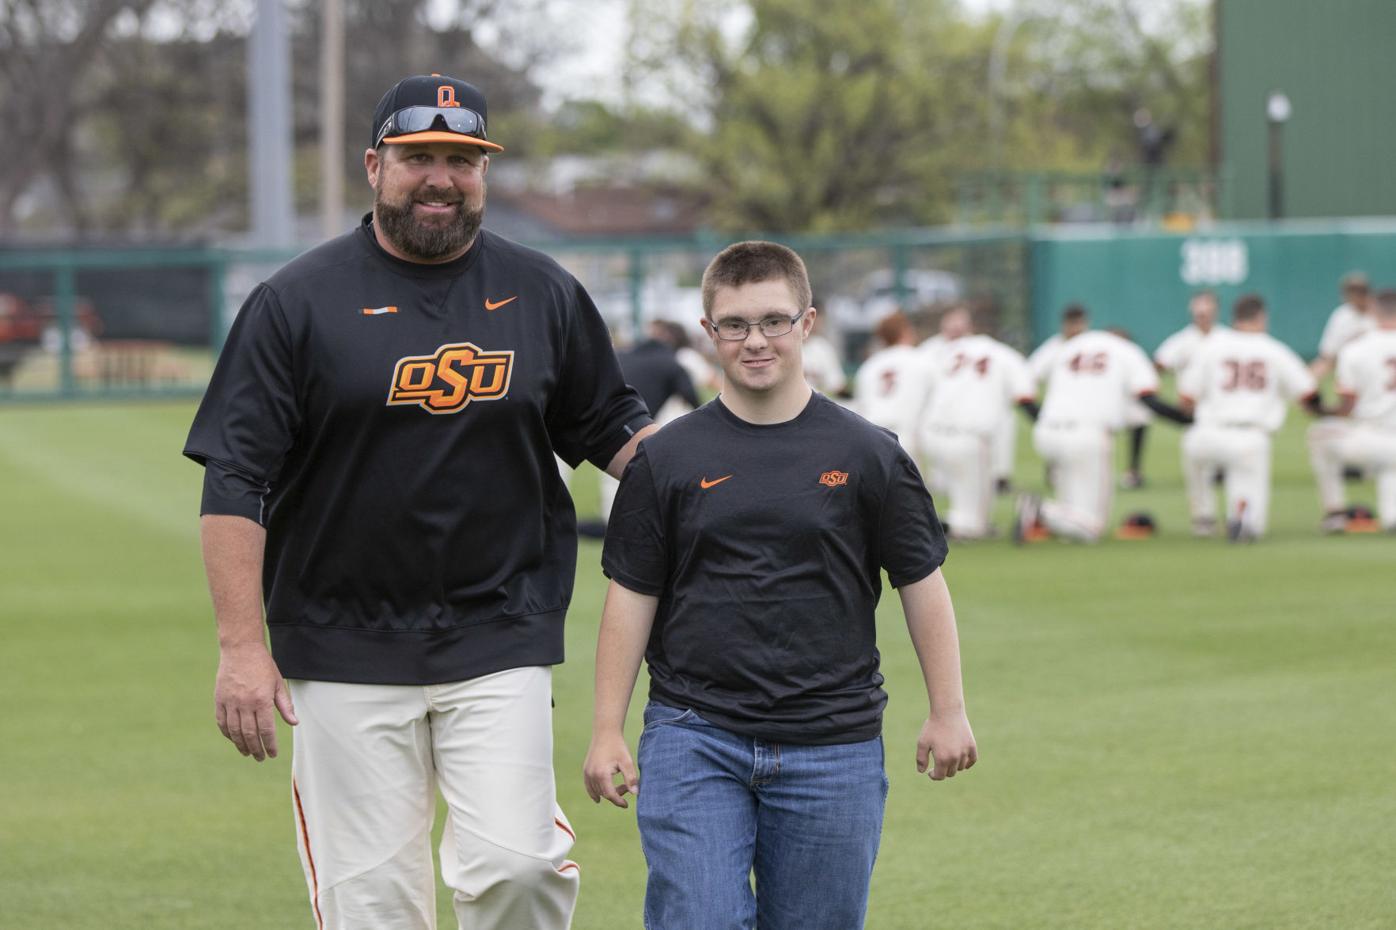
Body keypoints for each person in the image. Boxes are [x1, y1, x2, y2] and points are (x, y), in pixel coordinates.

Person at [183, 73, 655, 930]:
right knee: (369, 905)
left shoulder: (541, 290)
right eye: (418, 158)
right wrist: (240, 647)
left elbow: (613, 429)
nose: (440, 178)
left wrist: (723, 467)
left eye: (461, 160)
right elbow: (234, 479)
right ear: (374, 165)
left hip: (498, 631)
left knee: (517, 867)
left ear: (483, 174)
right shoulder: (295, 301)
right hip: (340, 642)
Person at [582, 241, 976, 930]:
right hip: (694, 732)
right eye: (734, 324)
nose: (755, 340)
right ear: (708, 334)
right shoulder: (666, 457)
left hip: (834, 742)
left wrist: (949, 709)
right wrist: (606, 728)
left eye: (774, 321)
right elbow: (631, 594)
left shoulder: (869, 453)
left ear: (808, 323)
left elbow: (922, 582)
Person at [1015, 306, 1190, 543]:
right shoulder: (1127, 350)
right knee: (1092, 527)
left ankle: (1050, 517)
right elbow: (1148, 398)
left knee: (1073, 508)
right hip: (1088, 435)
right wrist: (1187, 420)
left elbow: (1025, 382)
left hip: (1046, 431)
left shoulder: (1067, 346)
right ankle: (1040, 510)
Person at [1177, 294, 1318, 541]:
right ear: (1262, 317)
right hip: (1250, 437)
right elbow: (1308, 393)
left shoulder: (1211, 346)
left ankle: (1204, 518)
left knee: (1195, 457)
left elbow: (1186, 397)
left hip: (1207, 432)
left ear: (1233, 318)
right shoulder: (1274, 349)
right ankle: (1241, 518)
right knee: (1246, 487)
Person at [917, 321, 1037, 539]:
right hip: (970, 438)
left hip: (932, 435)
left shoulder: (944, 351)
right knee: (975, 527)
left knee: (962, 497)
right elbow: (1024, 397)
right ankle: (937, 525)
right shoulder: (1004, 354)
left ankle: (942, 521)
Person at [1306, 287, 1396, 534]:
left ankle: (1334, 514)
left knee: (1319, 434)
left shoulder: (1356, 349)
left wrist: (1321, 410)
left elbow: (1347, 406)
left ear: (1375, 312)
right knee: (1391, 519)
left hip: (1371, 438)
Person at [852, 310, 933, 454]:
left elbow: (861, 407)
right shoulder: (921, 359)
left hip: (871, 436)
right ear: (905, 331)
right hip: (905, 436)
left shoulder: (869, 366)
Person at [1310, 272, 1375, 381]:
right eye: (1352, 291)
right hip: (1350, 367)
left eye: (1360, 291)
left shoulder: (1382, 313)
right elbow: (1327, 354)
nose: (1356, 296)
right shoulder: (1342, 315)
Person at [1155, 290, 1225, 375]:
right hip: (1189, 387)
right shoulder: (1182, 339)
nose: (1203, 314)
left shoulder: (1227, 338)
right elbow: (1161, 362)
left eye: (1207, 310)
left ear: (1216, 310)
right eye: (1200, 314)